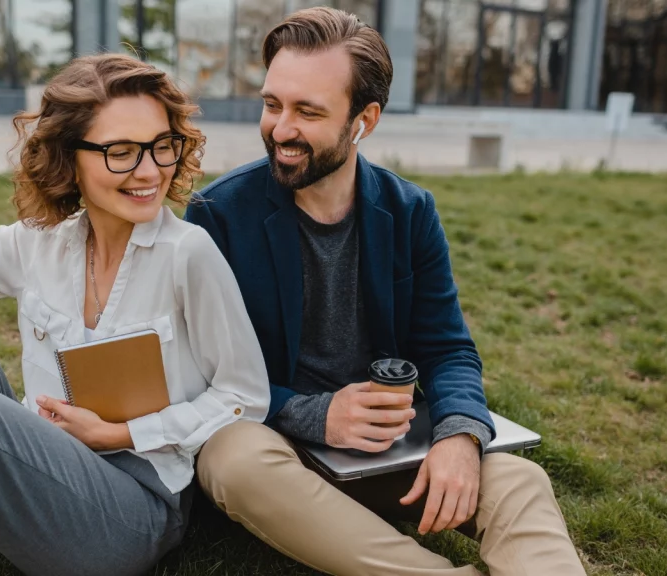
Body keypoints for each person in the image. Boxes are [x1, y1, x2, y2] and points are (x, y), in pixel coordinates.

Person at [0, 53, 270, 576]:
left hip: (132, 508)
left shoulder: (187, 254)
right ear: (69, 158)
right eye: (121, 152)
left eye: (160, 146)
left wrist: (123, 434)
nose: (149, 171)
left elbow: (245, 398)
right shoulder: (40, 242)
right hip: (35, 473)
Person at [187, 7, 586, 576]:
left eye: (307, 111)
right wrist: (313, 415)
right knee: (231, 459)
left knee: (520, 480)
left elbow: (448, 348)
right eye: (272, 104)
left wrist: (459, 437)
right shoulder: (217, 214)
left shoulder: (410, 210)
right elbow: (193, 374)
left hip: (390, 447)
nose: (280, 128)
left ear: (364, 119)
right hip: (278, 451)